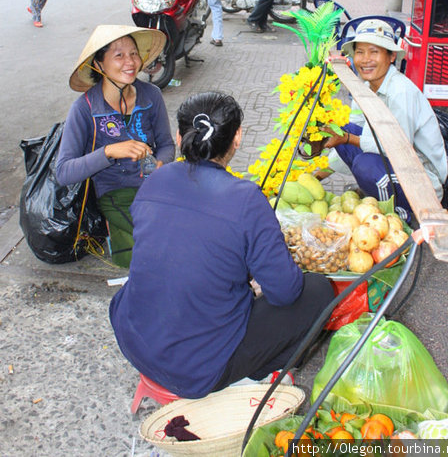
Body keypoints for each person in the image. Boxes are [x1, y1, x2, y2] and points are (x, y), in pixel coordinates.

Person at [109, 91, 334, 399]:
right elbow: (285, 292)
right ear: (238, 137)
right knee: (318, 290)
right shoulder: (246, 199)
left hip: (134, 340)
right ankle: (257, 373)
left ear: (178, 136)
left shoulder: (155, 181)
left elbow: (175, 247)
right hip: (196, 370)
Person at [56, 25, 175, 267]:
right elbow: (64, 172)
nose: (130, 61)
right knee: (163, 241)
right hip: (115, 194)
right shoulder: (85, 108)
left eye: (133, 53)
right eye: (118, 55)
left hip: (154, 187)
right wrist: (109, 152)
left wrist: (162, 163)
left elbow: (166, 144)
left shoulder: (151, 95)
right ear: (99, 64)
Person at [322, 19, 448, 220]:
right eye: (360, 52)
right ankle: (375, 191)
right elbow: (351, 133)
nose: (365, 59)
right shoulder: (366, 87)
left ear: (391, 56)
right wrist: (318, 174)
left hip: (420, 178)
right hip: (394, 163)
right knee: (342, 128)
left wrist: (347, 139)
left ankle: (398, 218)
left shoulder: (400, 92)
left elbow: (399, 148)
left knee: (366, 164)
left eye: (374, 52)